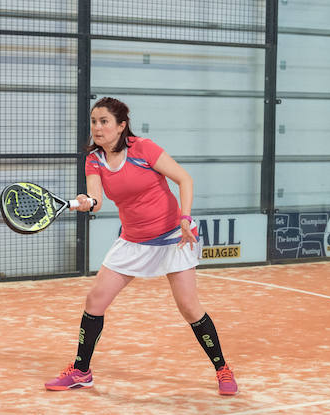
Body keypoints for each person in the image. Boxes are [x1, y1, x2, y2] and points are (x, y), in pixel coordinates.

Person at [45, 97, 238, 396]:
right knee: (95, 300)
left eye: (104, 121)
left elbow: (184, 179)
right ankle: (81, 371)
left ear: (121, 125)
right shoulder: (94, 159)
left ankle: (222, 369)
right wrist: (85, 202)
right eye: (94, 122)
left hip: (174, 236)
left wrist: (185, 217)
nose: (97, 127)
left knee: (189, 308)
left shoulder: (143, 149)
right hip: (133, 241)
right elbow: (96, 201)